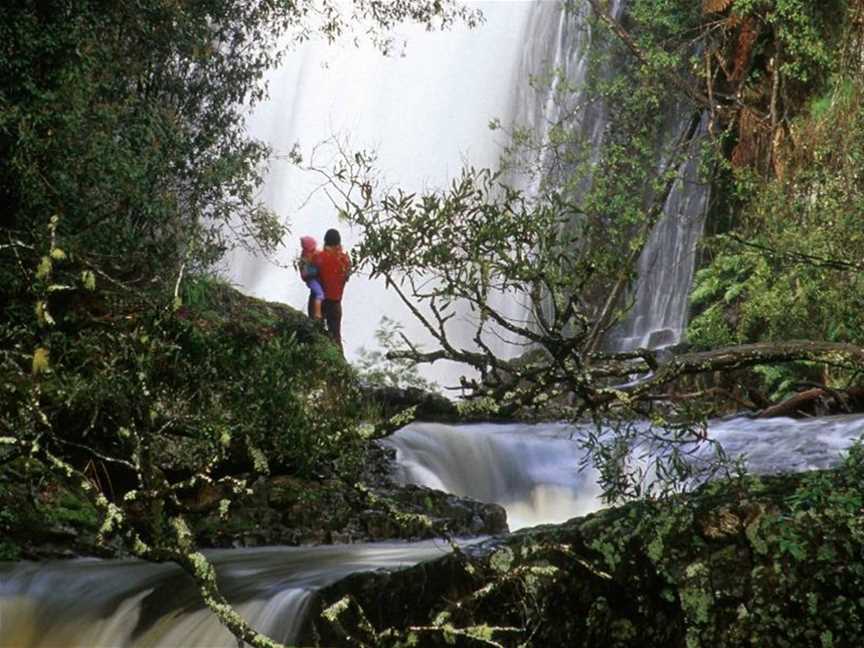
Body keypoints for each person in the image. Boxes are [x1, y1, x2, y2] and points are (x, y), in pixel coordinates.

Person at [314, 228, 351, 350]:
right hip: (336, 303)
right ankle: (340, 364)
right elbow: (346, 278)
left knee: (315, 331)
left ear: (325, 242)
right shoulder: (345, 260)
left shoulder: (319, 257)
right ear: (339, 243)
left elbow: (309, 276)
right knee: (335, 336)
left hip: (319, 301)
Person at [298, 235, 324, 320]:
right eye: (312, 250)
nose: (314, 251)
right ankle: (317, 314)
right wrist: (316, 270)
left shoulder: (315, 254)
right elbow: (304, 274)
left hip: (318, 279)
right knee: (319, 294)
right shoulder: (304, 260)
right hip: (311, 280)